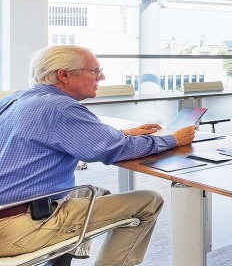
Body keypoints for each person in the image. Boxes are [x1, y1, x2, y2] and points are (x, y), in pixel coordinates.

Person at [0, 45, 195, 265]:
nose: (101, 77)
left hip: (9, 210)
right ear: (64, 75)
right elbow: (114, 150)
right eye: (95, 71)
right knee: (148, 202)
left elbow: (59, 137)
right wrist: (173, 140)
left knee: (99, 194)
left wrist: (122, 134)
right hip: (17, 229)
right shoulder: (61, 107)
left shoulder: (14, 100)